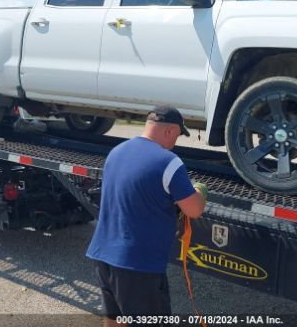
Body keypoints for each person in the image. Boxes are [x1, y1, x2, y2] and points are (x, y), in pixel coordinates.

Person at [86, 105, 207, 326]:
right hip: (137, 267)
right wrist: (200, 191)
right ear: (170, 131)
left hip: (102, 256)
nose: (175, 143)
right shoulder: (169, 161)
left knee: (114, 320)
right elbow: (194, 209)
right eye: (178, 136)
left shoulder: (117, 152)